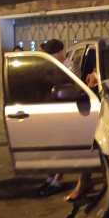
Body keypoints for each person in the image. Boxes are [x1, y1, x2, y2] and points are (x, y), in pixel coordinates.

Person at [36, 39, 67, 197]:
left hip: (53, 113)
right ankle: (54, 180)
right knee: (58, 149)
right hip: (54, 113)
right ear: (57, 52)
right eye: (62, 51)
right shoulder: (55, 70)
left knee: (56, 148)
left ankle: (54, 179)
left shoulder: (49, 68)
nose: (64, 54)